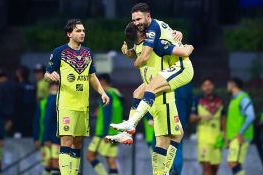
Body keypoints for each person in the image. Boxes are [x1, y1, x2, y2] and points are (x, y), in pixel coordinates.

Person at [107, 22, 193, 175]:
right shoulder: (153, 45)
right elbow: (183, 51)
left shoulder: (140, 46)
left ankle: (163, 170)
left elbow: (137, 51)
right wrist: (188, 45)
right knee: (164, 141)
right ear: (142, 34)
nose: (146, 30)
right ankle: (163, 171)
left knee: (177, 133)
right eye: (143, 29)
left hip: (151, 89)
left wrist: (129, 53)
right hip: (162, 95)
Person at [44, 19, 110, 175]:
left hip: (83, 105)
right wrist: (50, 76)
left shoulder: (87, 52)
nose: (82, 33)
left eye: (83, 30)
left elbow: (92, 77)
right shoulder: (59, 51)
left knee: (78, 142)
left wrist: (102, 92)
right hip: (66, 104)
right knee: (66, 139)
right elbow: (47, 74)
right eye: (78, 31)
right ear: (69, 34)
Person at [86, 74, 123, 175]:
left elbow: (107, 115)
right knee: (110, 160)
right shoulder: (116, 94)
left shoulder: (107, 95)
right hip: (116, 131)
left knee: (90, 156)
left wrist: (106, 133)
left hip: (104, 132)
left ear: (102, 82)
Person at [190, 78, 225, 175]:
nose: (207, 87)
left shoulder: (220, 100)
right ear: (202, 87)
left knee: (215, 168)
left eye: (209, 84)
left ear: (213, 86)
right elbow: (191, 118)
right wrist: (201, 117)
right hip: (203, 139)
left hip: (217, 139)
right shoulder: (197, 100)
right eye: (205, 85)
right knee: (207, 168)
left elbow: (223, 117)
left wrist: (224, 134)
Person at [226, 77, 255, 175]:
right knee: (234, 164)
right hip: (234, 138)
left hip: (240, 137)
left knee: (234, 163)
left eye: (228, 84)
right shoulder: (234, 100)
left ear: (232, 85)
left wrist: (240, 132)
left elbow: (251, 116)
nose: (227, 87)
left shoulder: (243, 98)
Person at [43, 82, 61, 175]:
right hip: (54, 137)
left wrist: (46, 138)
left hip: (55, 137)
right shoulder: (52, 100)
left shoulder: (52, 100)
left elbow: (48, 120)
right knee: (51, 163)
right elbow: (47, 121)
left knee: (53, 162)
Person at [33, 86, 50, 174]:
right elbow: (36, 122)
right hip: (44, 139)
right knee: (46, 164)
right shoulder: (42, 104)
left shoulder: (63, 103)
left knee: (56, 165)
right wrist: (36, 138)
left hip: (58, 140)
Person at [15, 65, 36, 137]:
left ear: (19, 74)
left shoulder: (18, 86)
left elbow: (17, 102)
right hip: (32, 114)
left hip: (21, 114)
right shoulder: (33, 85)